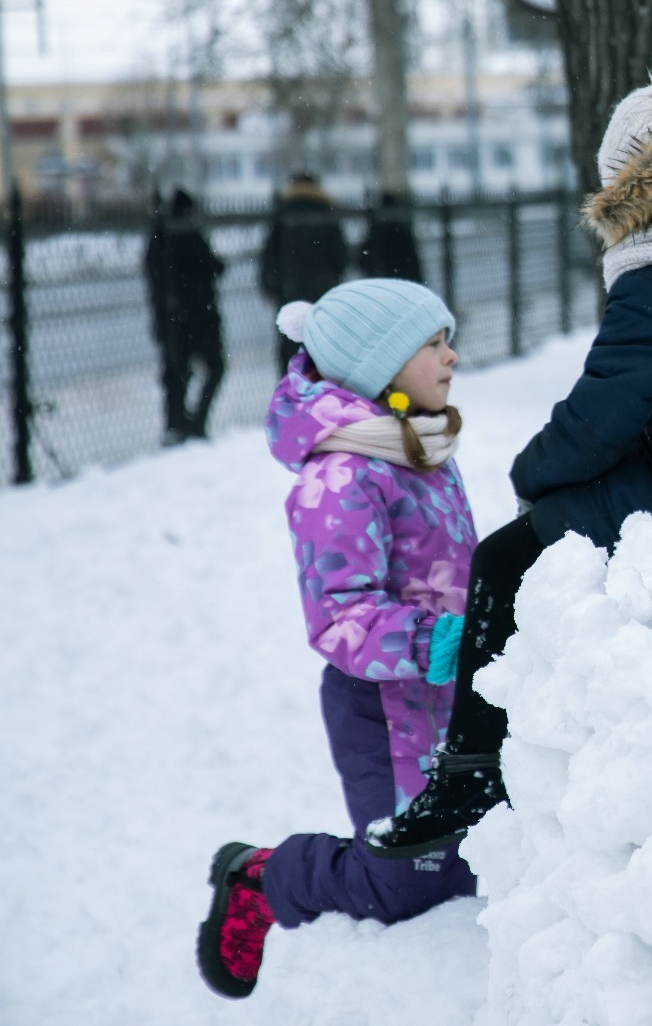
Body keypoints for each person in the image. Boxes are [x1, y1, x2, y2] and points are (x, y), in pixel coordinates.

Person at [363, 41, 652, 857]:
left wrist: (529, 477)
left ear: (637, 187)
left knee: (505, 555)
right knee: (565, 512)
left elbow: (597, 419)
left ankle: (469, 770)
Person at [196, 278, 477, 999]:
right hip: (382, 708)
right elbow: (340, 615)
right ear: (380, 365)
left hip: (451, 688)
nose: (452, 356)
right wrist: (438, 641)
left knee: (468, 856)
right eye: (433, 344)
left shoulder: (418, 442)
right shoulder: (342, 475)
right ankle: (260, 877)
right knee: (401, 880)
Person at [143, 187, 226, 442]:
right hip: (196, 315)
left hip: (175, 316)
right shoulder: (185, 233)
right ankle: (190, 423)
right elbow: (209, 267)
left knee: (177, 372)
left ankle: (179, 423)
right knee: (208, 367)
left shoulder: (163, 234)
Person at [259, 173, 350, 371]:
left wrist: (270, 284)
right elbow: (340, 256)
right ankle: (320, 392)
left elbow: (270, 253)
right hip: (323, 290)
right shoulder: (325, 212)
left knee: (290, 344)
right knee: (322, 344)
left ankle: (292, 390)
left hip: (290, 289)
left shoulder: (283, 213)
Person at [359, 191, 425, 282]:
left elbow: (364, 260)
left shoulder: (378, 230)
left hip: (386, 275)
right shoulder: (399, 231)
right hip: (397, 275)